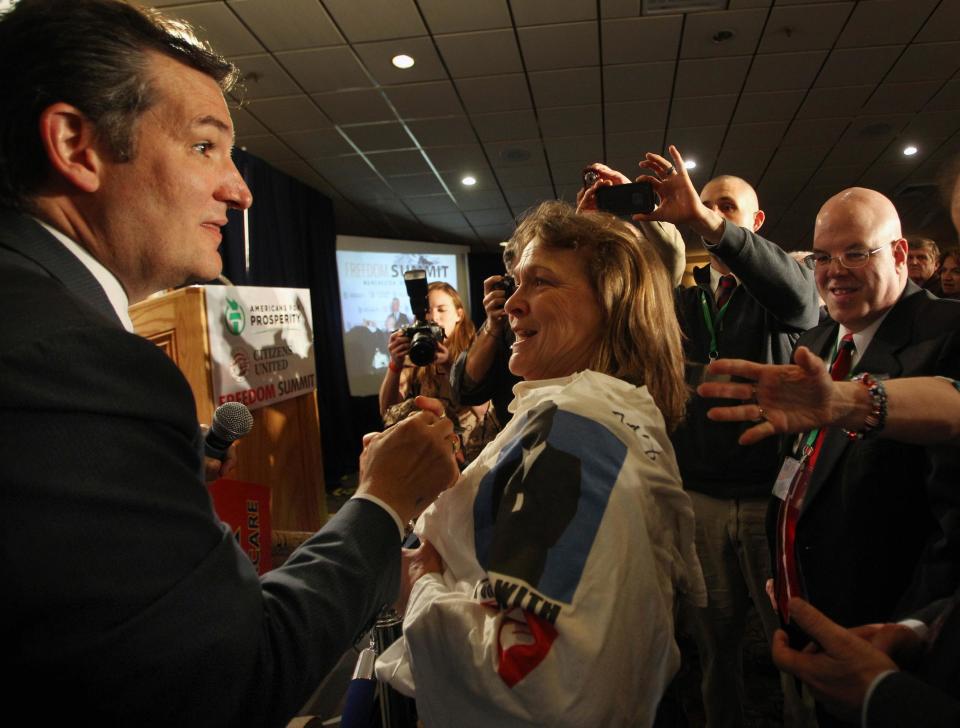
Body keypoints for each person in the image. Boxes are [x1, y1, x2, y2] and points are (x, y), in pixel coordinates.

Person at [0, 2, 458, 725]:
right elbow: (230, 676)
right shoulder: (73, 363)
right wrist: (381, 503)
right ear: (75, 145)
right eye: (204, 147)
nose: (240, 190)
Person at [376, 201, 706, 728]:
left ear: (612, 306)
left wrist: (419, 585)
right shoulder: (579, 413)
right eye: (514, 284)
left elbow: (537, 685)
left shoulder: (578, 435)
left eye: (542, 283)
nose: (512, 305)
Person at [634, 145, 821, 728]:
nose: (707, 212)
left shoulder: (780, 291)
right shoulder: (686, 300)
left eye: (725, 208)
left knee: (793, 652)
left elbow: (801, 299)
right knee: (714, 653)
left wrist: (704, 222)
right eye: (703, 204)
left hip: (768, 498)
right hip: (702, 501)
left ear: (754, 222)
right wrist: (629, 223)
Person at [380, 281, 489, 450]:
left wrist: (449, 367)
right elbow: (388, 412)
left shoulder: (476, 352)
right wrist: (395, 364)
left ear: (459, 314)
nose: (434, 317)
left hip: (473, 448)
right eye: (428, 311)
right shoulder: (417, 355)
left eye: (442, 309)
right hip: (432, 450)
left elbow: (483, 412)